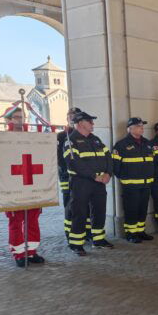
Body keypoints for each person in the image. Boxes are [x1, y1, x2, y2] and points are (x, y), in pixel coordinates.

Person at [63, 111, 114, 255]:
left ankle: (98, 240)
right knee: (79, 213)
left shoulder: (96, 139)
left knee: (99, 211)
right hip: (81, 183)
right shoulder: (70, 141)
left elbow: (108, 157)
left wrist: (108, 173)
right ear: (80, 123)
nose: (93, 124)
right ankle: (76, 244)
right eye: (90, 121)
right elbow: (74, 163)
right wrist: (94, 176)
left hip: (99, 183)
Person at [3, 106, 45, 267]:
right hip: (14, 184)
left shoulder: (31, 137)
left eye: (22, 117)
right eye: (16, 117)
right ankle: (19, 253)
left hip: (31, 182)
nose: (20, 120)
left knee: (33, 219)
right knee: (16, 220)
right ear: (8, 120)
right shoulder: (3, 138)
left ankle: (32, 251)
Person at [112, 117, 155, 243]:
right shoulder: (121, 145)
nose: (142, 128)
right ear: (129, 129)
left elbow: (153, 162)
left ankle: (140, 231)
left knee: (142, 209)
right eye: (138, 126)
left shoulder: (148, 143)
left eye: (142, 125)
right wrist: (126, 178)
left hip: (146, 184)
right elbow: (116, 166)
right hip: (131, 186)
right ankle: (131, 233)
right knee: (131, 210)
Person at [57, 107, 82, 240]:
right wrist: (69, 170)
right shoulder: (62, 136)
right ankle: (69, 231)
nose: (72, 118)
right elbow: (59, 158)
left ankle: (85, 232)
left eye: (76, 115)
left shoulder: (84, 136)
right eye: (70, 116)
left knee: (84, 205)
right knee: (69, 203)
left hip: (81, 177)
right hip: (67, 176)